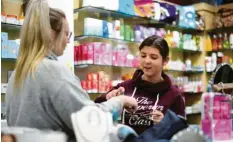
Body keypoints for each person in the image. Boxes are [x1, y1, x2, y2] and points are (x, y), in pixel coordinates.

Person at [5, 0, 138, 142]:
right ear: (51, 34)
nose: (68, 41)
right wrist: (120, 101)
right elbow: (90, 121)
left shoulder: (19, 73)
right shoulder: (53, 71)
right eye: (66, 34)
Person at [95, 35, 185, 134]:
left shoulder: (174, 96)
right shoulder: (124, 87)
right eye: (143, 56)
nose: (146, 61)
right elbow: (96, 109)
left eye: (153, 57)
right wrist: (108, 97)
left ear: (165, 61)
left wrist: (166, 124)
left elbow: (181, 133)